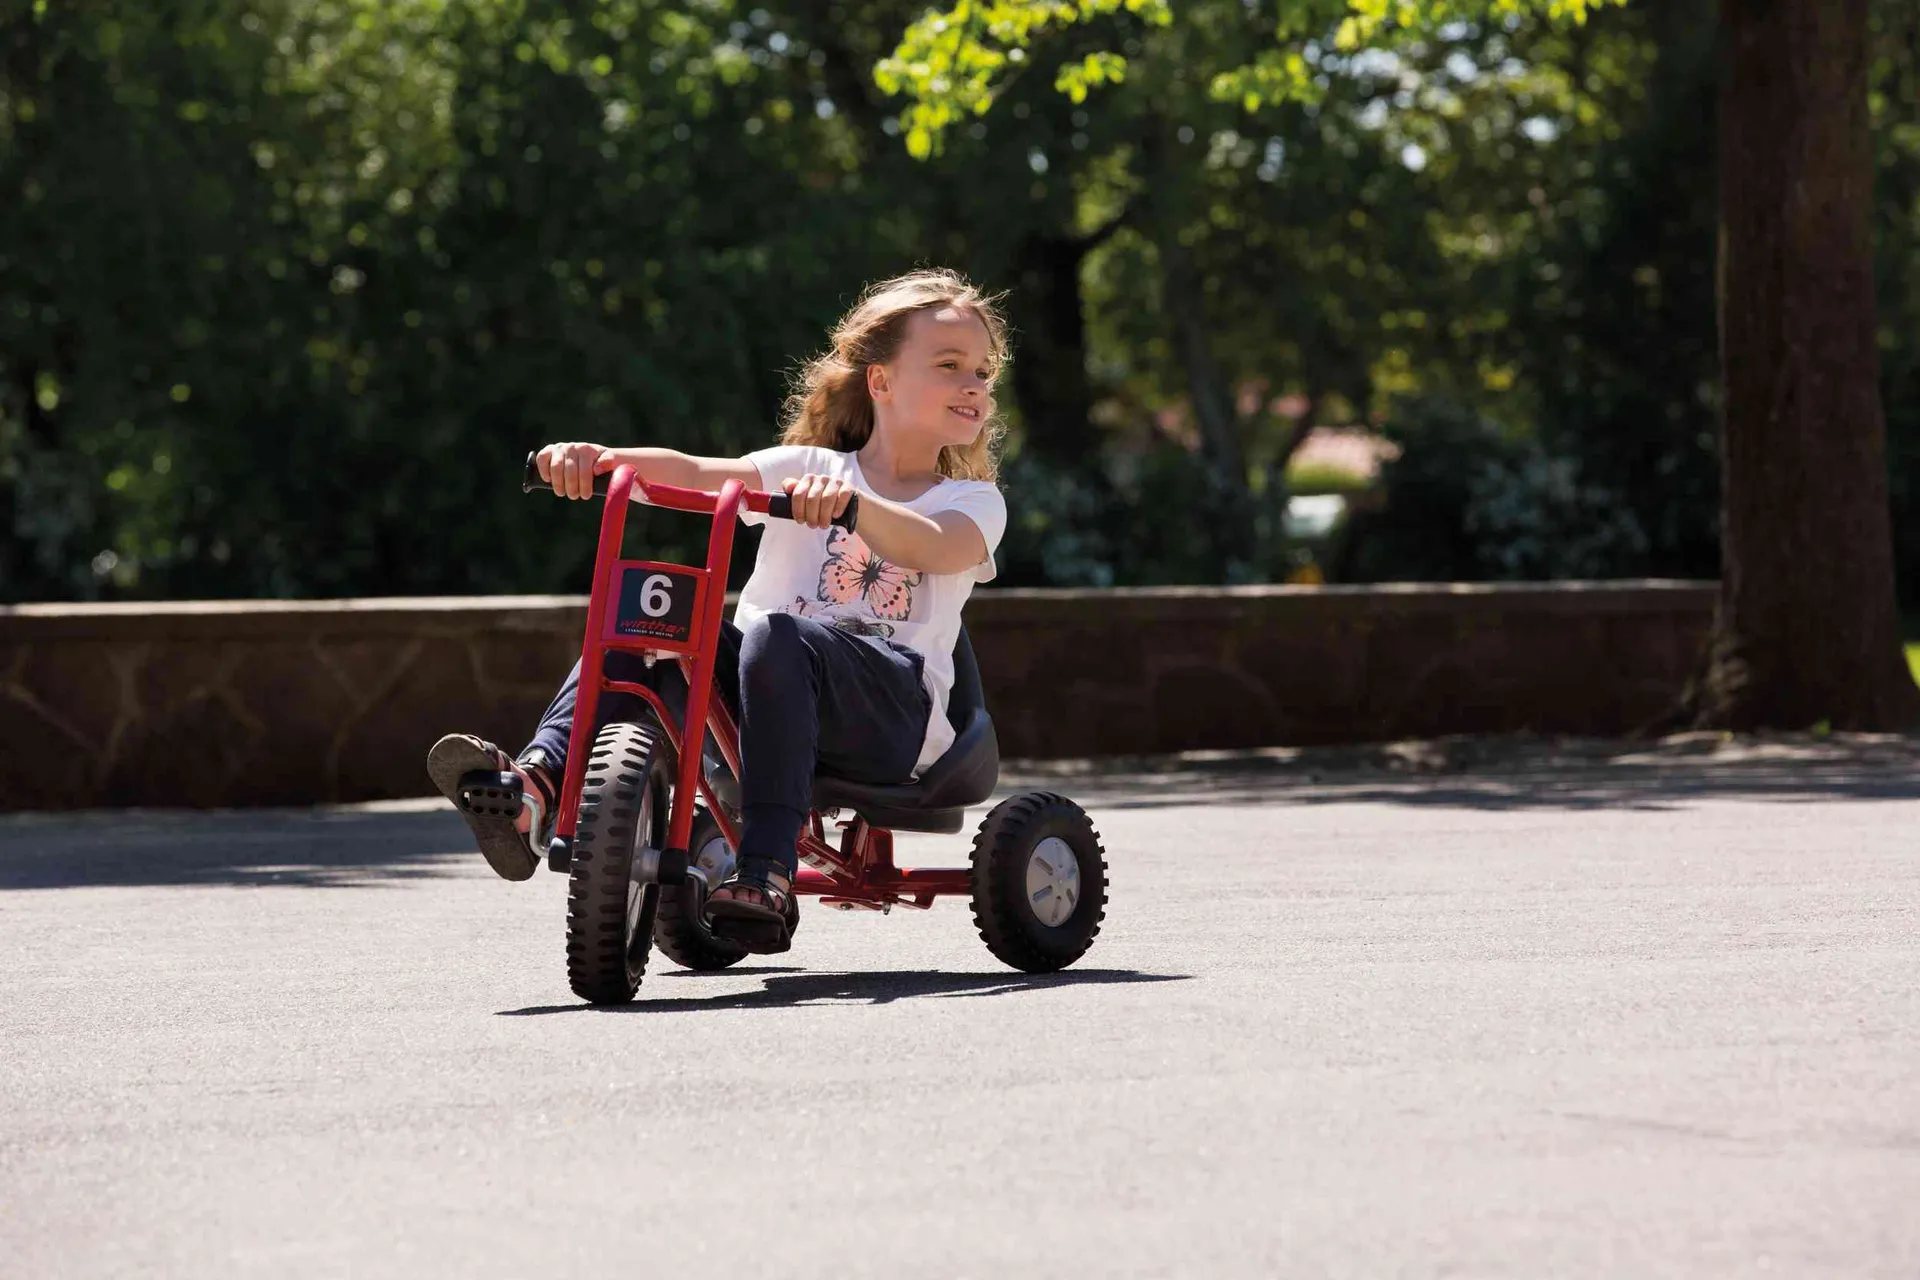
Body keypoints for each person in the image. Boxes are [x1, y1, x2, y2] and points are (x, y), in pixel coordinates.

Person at [426, 268, 1009, 951]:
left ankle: (765, 868)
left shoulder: (970, 500)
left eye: (983, 372)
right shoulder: (808, 469)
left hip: (892, 716)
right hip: (768, 691)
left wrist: (857, 509)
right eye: (949, 365)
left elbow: (937, 545)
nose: (974, 385)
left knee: (782, 635)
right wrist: (600, 461)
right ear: (880, 381)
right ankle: (535, 789)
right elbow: (698, 473)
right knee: (649, 628)